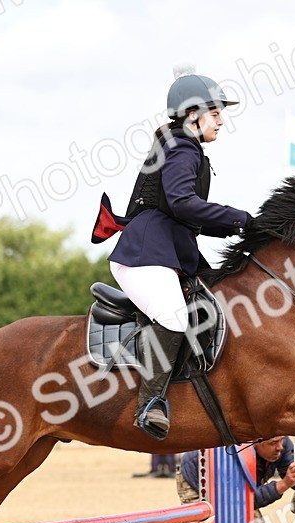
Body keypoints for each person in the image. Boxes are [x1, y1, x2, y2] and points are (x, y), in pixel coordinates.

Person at [108, 67, 254, 440]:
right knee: (174, 317)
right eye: (216, 112)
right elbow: (183, 203)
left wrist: (241, 227)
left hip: (167, 251)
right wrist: (240, 218)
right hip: (146, 255)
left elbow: (186, 214)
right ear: (193, 114)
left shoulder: (180, 146)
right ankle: (149, 403)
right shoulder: (181, 147)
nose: (221, 121)